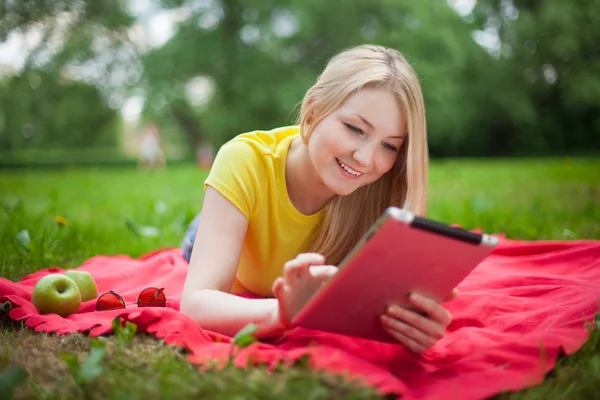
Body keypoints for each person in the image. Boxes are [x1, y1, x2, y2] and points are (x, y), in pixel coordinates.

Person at [180, 44, 457, 354]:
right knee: (202, 237)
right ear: (312, 109)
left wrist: (409, 320)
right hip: (230, 226)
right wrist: (281, 314)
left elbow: (368, 307)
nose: (366, 159)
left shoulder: (385, 189)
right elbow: (195, 304)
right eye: (354, 128)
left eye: (389, 146)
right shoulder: (244, 159)